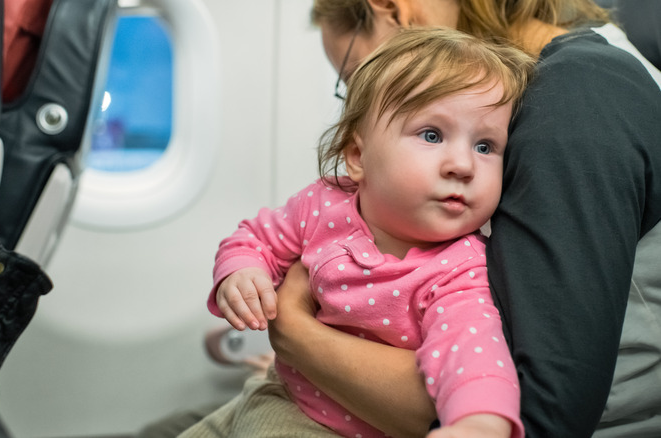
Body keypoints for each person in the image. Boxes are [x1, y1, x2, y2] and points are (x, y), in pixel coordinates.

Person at [265, 1, 661, 437]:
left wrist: (299, 338)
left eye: (356, 73)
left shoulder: (579, 100)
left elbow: (537, 412)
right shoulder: (510, 99)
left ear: (393, 11)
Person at [181, 27, 535, 438]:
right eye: (432, 135)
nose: (463, 164)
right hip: (281, 390)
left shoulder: (462, 268)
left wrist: (478, 424)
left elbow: (473, 354)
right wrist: (242, 272)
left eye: (485, 146)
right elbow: (255, 238)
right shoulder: (323, 205)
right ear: (357, 157)